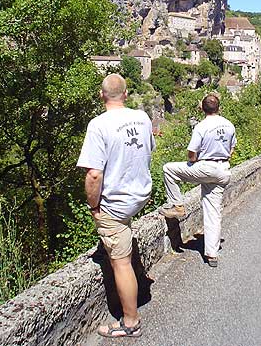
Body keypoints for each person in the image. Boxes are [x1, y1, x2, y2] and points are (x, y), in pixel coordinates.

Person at [77, 74, 155, 338]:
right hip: (140, 194)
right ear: (126, 93)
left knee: (121, 263)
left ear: (102, 95)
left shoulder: (98, 125)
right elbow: (147, 151)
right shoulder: (142, 117)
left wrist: (94, 207)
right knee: (122, 237)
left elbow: (94, 175)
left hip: (117, 202)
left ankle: (130, 322)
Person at [159, 94, 236, 268]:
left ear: (202, 108)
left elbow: (192, 153)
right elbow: (232, 149)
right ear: (219, 108)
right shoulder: (229, 125)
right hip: (223, 170)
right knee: (213, 212)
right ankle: (212, 254)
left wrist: (195, 161)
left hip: (206, 167)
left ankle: (177, 204)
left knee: (169, 169)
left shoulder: (201, 126)